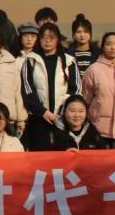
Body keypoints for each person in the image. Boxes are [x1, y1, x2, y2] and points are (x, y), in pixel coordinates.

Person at [20, 22, 80, 151]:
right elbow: (27, 90)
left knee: (64, 155)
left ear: (58, 39)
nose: (47, 41)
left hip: (63, 119)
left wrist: (63, 112)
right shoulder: (30, 60)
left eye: (51, 37)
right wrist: (43, 112)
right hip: (38, 118)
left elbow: (76, 90)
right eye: (44, 37)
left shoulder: (69, 61)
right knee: (40, 157)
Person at [66, 13, 100, 79]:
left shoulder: (98, 53)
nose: (82, 35)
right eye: (78, 32)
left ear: (90, 34)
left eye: (86, 32)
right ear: (73, 35)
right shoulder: (68, 54)